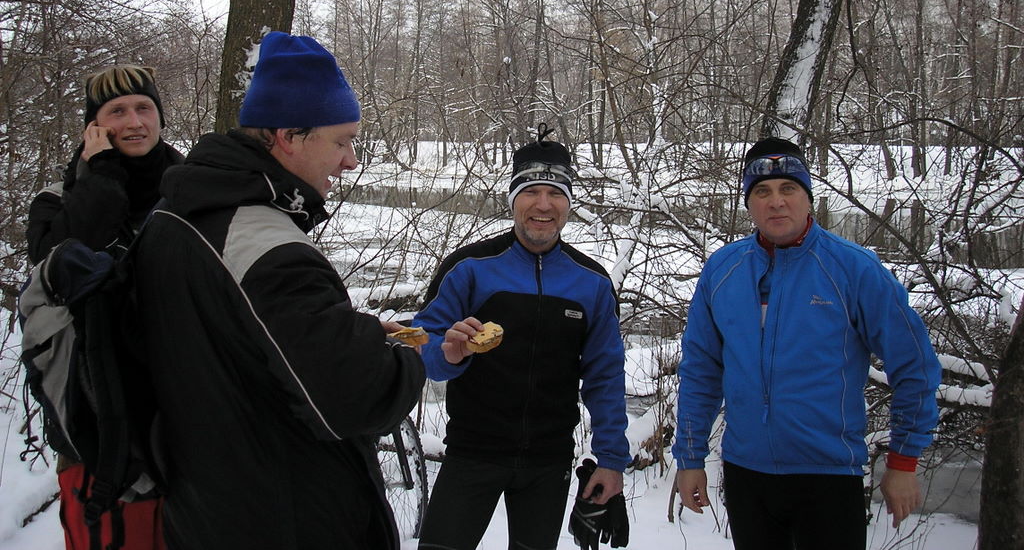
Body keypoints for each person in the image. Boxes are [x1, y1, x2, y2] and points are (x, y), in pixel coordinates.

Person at [132, 32, 425, 550]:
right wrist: (407, 358)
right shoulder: (265, 246)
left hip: (206, 508)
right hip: (281, 517)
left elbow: (244, 347)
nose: (351, 160)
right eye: (341, 141)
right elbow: (353, 398)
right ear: (290, 136)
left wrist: (351, 332)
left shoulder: (176, 212)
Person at [673, 137, 942, 549]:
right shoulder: (724, 269)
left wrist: (903, 461)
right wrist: (690, 457)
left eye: (788, 189)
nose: (776, 202)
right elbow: (701, 370)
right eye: (762, 192)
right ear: (748, 204)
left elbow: (915, 366)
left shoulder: (852, 268)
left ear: (808, 198)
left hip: (828, 476)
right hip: (747, 475)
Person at [412, 126, 631, 550]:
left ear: (569, 203)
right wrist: (449, 354)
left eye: (556, 193)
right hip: (471, 454)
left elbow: (605, 376)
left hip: (548, 464)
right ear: (513, 200)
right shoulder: (469, 268)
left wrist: (611, 460)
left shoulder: (592, 283)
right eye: (530, 192)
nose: (543, 205)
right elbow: (421, 344)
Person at [27, 64, 183, 550]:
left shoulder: (189, 192)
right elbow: (65, 269)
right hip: (96, 431)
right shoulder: (56, 203)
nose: (134, 121)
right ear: (93, 127)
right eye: (117, 111)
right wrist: (104, 176)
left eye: (144, 108)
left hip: (188, 422)